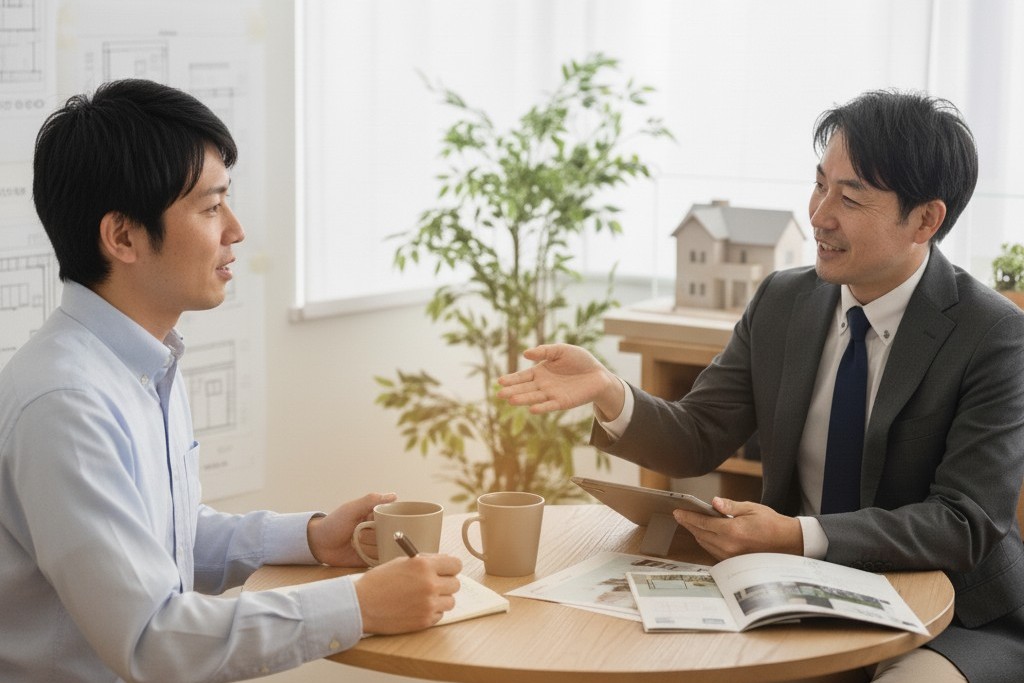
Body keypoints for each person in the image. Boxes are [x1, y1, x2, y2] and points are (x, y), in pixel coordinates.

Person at [498, 90, 1024, 683]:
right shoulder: (784, 300)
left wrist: (798, 536)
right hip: (793, 595)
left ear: (926, 219)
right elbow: (697, 436)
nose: (820, 214)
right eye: (820, 184)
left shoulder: (992, 333)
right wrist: (608, 391)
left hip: (947, 615)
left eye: (850, 198)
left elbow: (964, 521)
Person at [0, 79, 462, 682]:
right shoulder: (66, 404)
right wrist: (360, 605)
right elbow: (150, 639)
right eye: (211, 207)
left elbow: (171, 540)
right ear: (122, 236)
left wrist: (314, 538)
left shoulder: (144, 360)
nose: (236, 230)